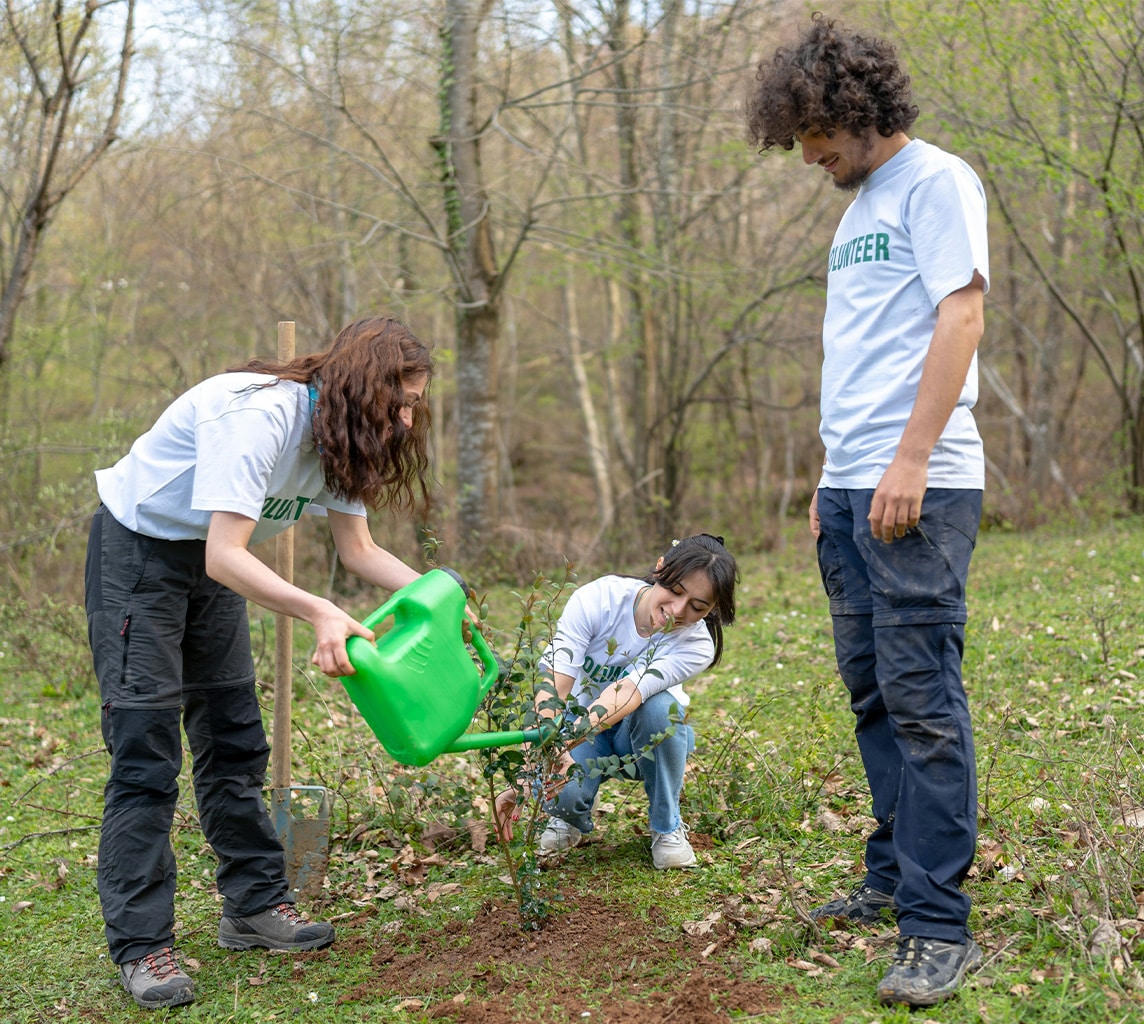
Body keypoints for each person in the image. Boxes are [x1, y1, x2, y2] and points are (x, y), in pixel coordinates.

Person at [84, 315, 433, 1010]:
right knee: (147, 757)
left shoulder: (341, 440)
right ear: (365, 388)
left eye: (415, 406)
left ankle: (253, 907)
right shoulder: (259, 416)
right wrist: (319, 610)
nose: (406, 420)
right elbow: (225, 554)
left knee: (235, 739)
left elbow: (358, 552)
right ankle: (142, 945)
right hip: (140, 553)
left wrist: (440, 593)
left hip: (215, 567)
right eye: (400, 402)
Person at [745, 15, 988, 1008]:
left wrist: (911, 456)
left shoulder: (936, 181)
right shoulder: (856, 209)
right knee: (872, 693)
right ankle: (891, 873)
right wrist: (828, 474)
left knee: (922, 699)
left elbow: (959, 314)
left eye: (813, 135)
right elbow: (861, 351)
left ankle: (937, 926)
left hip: (916, 485)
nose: (806, 155)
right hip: (853, 487)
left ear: (854, 111)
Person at [494, 534, 738, 870]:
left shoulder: (696, 645)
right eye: (676, 591)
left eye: (698, 607)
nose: (677, 612)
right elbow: (555, 683)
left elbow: (626, 692)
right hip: (581, 732)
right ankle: (567, 818)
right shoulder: (600, 598)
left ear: (711, 610)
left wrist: (563, 741)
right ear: (660, 568)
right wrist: (532, 770)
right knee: (562, 792)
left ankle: (667, 827)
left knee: (658, 708)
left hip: (642, 740)